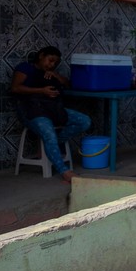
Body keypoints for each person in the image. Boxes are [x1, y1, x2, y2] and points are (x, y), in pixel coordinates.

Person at [11, 46, 91, 183]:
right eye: (50, 60)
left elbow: (68, 84)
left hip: (53, 110)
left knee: (85, 121)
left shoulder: (51, 73)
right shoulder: (25, 68)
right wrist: (42, 91)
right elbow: (15, 88)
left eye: (55, 63)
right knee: (48, 133)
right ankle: (65, 171)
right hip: (31, 111)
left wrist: (56, 76)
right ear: (41, 55)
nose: (52, 65)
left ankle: (52, 144)